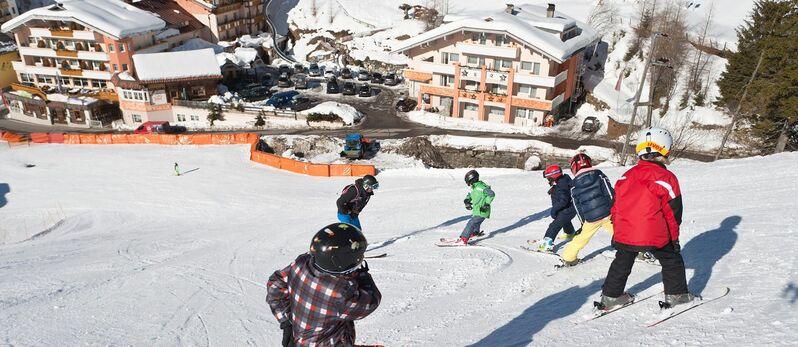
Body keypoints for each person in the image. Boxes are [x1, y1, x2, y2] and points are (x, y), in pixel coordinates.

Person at [599, 127, 694, 310]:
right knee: (671, 260)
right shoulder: (666, 177)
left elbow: (616, 208)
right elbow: (673, 214)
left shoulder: (626, 176)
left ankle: (611, 296)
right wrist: (673, 240)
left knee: (622, 260)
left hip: (626, 233)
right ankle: (677, 295)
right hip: (654, 234)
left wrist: (618, 234)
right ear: (665, 149)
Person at [267, 222, 381, 346]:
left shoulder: (301, 263)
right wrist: (364, 277)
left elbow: (275, 284)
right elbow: (371, 302)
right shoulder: (341, 294)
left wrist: (285, 321)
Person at [559, 153, 615, 266]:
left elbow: (577, 205)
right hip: (607, 214)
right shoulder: (599, 174)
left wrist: (583, 221)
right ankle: (636, 250)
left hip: (591, 219)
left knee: (582, 238)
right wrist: (615, 207)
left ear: (574, 167)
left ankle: (568, 257)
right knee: (622, 232)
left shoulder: (573, 184)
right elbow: (609, 192)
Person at [536, 164, 576, 252]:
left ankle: (545, 246)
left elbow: (563, 200)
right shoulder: (563, 180)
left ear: (554, 176)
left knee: (554, 226)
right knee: (564, 220)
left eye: (549, 178)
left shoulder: (561, 186)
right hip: (570, 208)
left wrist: (554, 210)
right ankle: (570, 233)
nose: (548, 180)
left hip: (568, 208)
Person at [457, 170, 496, 245]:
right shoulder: (476, 188)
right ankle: (475, 232)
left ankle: (464, 239)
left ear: (471, 179)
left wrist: (486, 204)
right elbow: (472, 195)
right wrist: (467, 200)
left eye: (468, 182)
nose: (468, 184)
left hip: (482, 210)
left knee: (471, 223)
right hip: (477, 210)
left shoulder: (480, 187)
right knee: (476, 223)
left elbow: (491, 194)